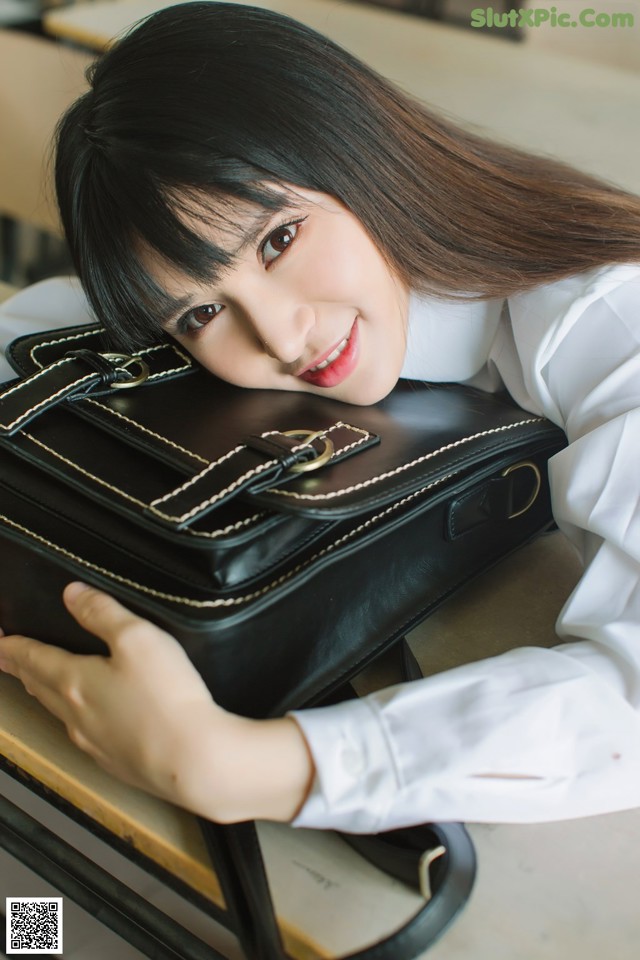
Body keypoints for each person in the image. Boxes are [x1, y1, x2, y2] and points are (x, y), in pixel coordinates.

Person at [1, 0, 639, 832]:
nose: (278, 335)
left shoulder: (608, 315)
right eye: (201, 314)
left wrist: (251, 769)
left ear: (355, 148)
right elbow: (47, 317)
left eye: (277, 241)